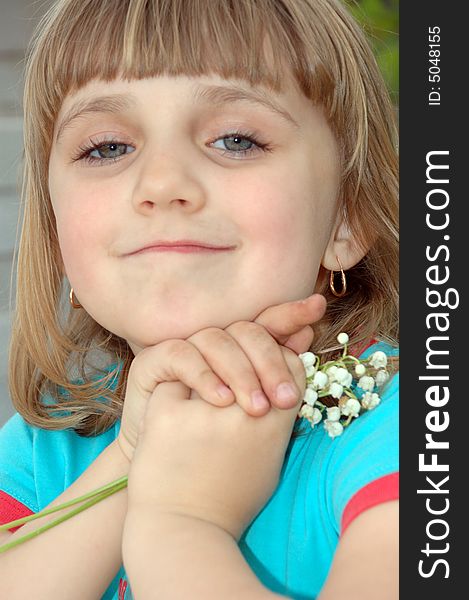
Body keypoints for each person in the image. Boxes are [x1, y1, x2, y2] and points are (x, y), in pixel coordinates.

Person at [0, 0, 399, 598]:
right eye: (107, 148)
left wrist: (184, 524)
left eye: (235, 139)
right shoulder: (47, 445)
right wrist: (133, 453)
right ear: (59, 235)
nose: (161, 185)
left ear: (348, 217)